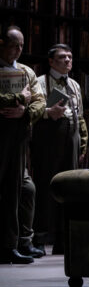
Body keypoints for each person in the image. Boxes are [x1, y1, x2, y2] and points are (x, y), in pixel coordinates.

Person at [31, 44, 88, 254]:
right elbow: (32, 112)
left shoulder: (74, 84)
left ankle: (63, 240)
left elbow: (80, 116)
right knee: (45, 186)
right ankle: (40, 237)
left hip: (71, 136)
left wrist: (82, 142)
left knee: (69, 188)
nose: (67, 60)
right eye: (62, 57)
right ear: (51, 61)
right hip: (48, 137)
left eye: (70, 57)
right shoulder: (40, 82)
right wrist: (48, 112)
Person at [0, 27, 44, 264]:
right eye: (13, 45)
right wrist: (18, 98)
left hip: (18, 135)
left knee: (15, 190)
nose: (18, 50)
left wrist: (24, 112)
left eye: (21, 46)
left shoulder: (26, 71)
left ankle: (12, 245)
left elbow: (39, 101)